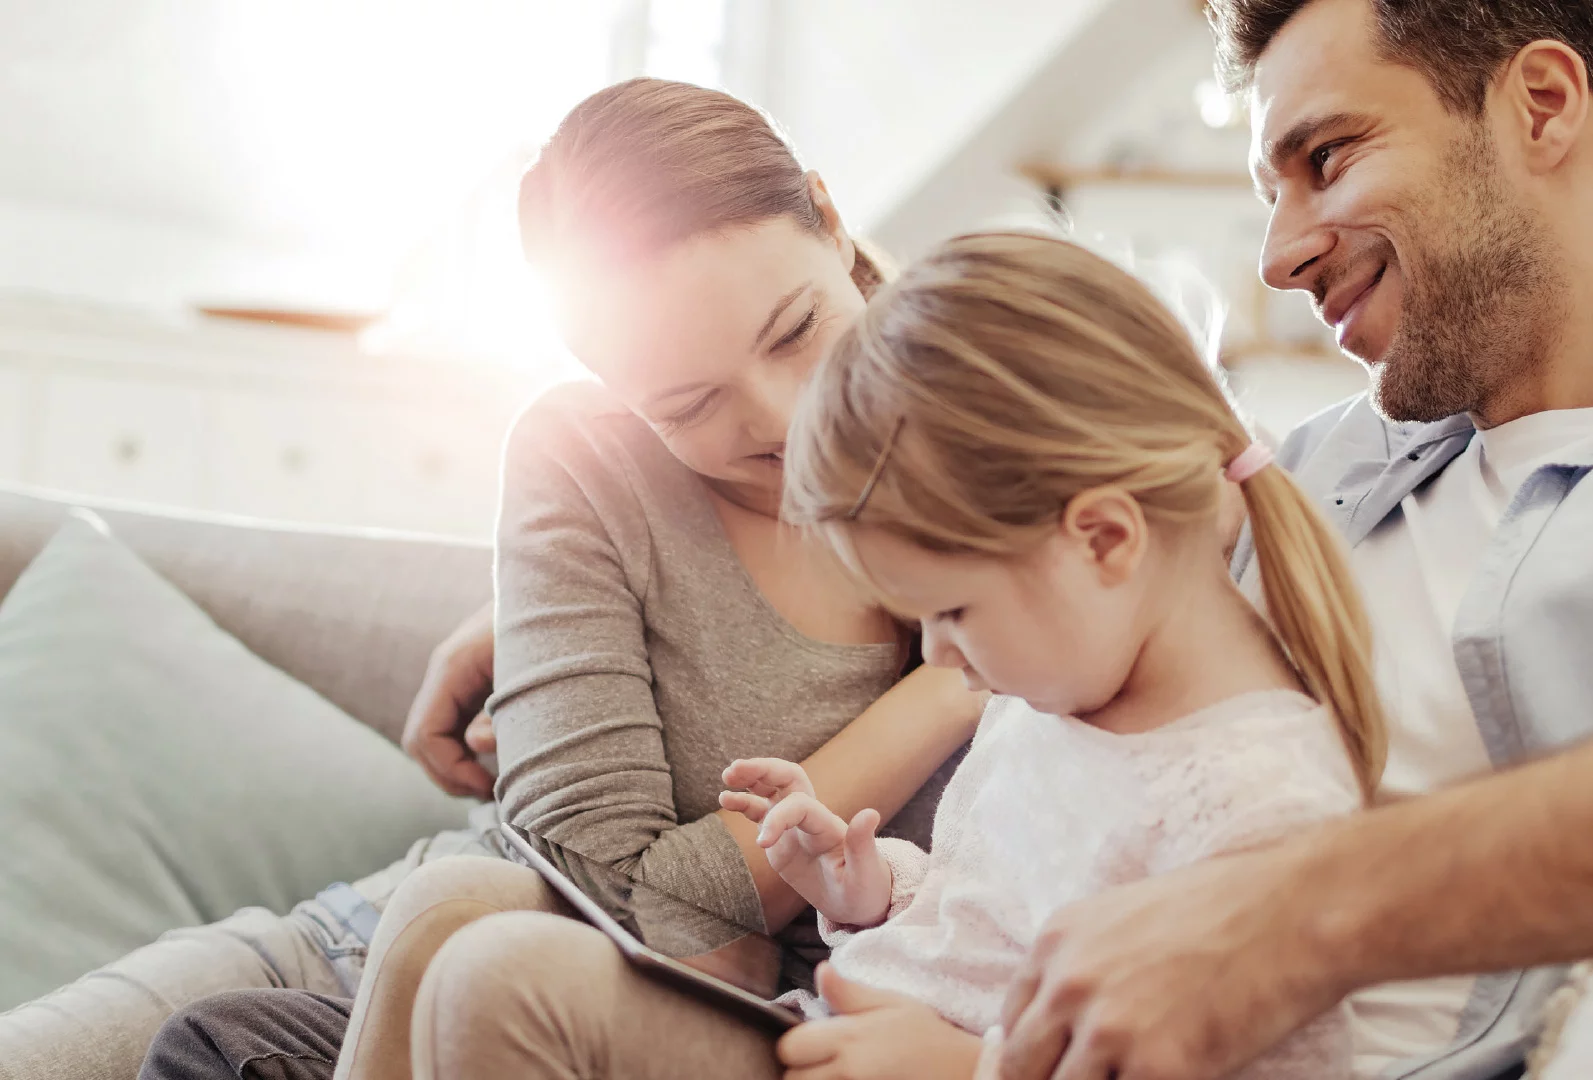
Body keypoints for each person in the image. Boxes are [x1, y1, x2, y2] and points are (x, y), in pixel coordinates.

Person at [0, 79, 988, 1080]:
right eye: (688, 404)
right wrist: (955, 685)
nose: (781, 418)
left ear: (825, 212)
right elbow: (614, 890)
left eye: (793, 331)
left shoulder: (1009, 429)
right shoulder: (592, 462)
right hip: (368, 951)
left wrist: (952, 683)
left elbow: (667, 927)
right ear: (611, 383)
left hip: (619, 1017)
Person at [368, 230, 1483, 1079]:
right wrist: (864, 884)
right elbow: (984, 914)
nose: (941, 657)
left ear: (1103, 538)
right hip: (834, 1027)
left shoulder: (1253, 805)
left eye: (950, 611)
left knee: (502, 981)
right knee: (449, 926)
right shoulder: (1054, 695)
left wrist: (970, 1070)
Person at [994, 1, 1593, 1078]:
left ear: (1542, 107)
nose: (1277, 258)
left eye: (1329, 155)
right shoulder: (1298, 475)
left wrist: (1287, 919)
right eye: (1271, 195)